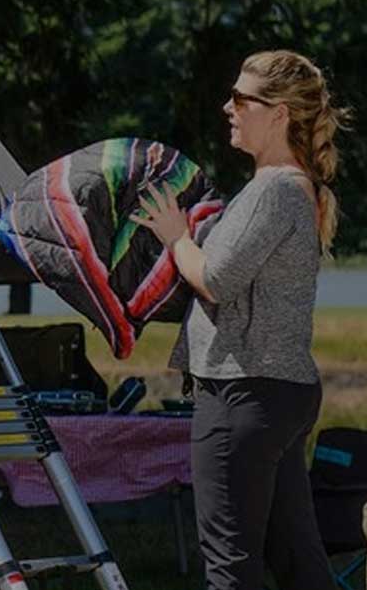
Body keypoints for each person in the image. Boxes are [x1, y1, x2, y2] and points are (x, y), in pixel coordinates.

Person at [133, 49, 348, 590]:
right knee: (297, 558)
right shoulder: (283, 188)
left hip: (243, 393)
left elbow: (216, 280)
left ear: (277, 113)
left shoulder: (275, 190)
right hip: (276, 392)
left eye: (240, 98)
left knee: (230, 564)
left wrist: (176, 235)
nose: (227, 107)